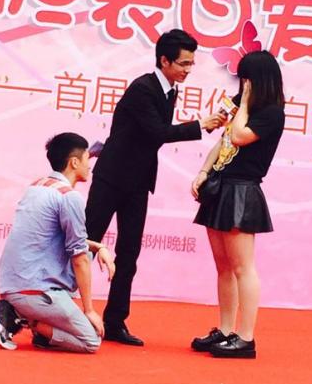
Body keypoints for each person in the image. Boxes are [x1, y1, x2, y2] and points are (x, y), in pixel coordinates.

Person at [85, 29, 225, 346]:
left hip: (138, 182)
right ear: (164, 60)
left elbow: (152, 137)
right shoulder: (143, 89)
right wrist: (201, 125)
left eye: (191, 64)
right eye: (184, 63)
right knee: (86, 246)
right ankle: (58, 310)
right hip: (111, 177)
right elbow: (157, 132)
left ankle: (115, 321)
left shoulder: (169, 91)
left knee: (129, 252)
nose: (188, 70)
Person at [190, 50, 285, 359]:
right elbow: (224, 141)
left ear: (260, 80)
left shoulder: (271, 112)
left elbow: (241, 136)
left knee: (243, 267)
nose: (242, 84)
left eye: (247, 79)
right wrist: (203, 172)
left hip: (242, 191)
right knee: (223, 267)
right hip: (220, 187)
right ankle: (225, 330)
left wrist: (242, 105)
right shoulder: (239, 105)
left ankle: (245, 338)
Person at [0, 132, 115, 353]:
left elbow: (59, 238)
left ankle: (35, 323)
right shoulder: (69, 197)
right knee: (91, 341)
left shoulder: (37, 186)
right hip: (34, 290)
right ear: (74, 162)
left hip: (12, 285)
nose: (89, 165)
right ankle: (24, 319)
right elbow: (79, 259)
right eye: (87, 158)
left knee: (85, 252)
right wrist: (89, 309)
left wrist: (99, 246)